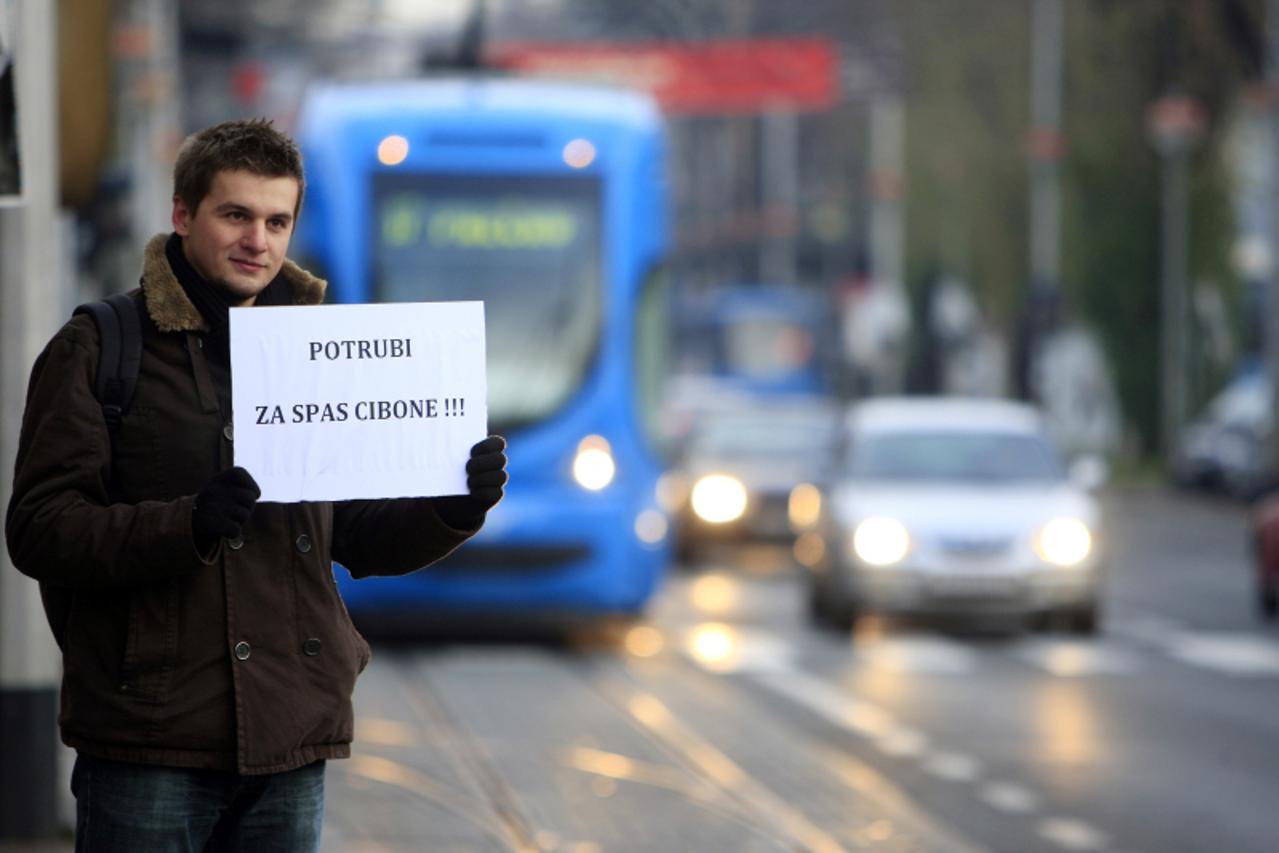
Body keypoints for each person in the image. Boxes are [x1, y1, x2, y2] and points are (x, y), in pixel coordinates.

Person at [4, 118, 507, 852]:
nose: (258, 242)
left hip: (289, 738)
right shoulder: (100, 346)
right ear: (182, 214)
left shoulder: (322, 350)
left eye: (277, 221)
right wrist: (188, 524)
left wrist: (453, 505)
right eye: (235, 215)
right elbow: (40, 527)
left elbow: (358, 533)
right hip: (149, 736)